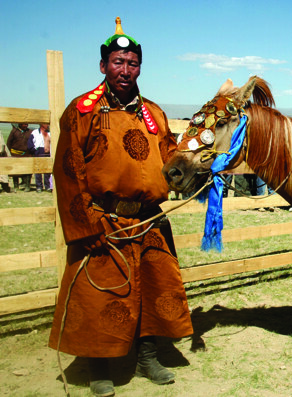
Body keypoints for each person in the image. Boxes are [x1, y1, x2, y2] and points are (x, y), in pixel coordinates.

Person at [48, 17, 193, 397]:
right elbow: (68, 171)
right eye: (118, 62)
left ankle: (147, 358)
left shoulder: (155, 114)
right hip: (104, 219)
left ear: (139, 67)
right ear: (103, 66)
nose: (125, 70)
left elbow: (169, 158)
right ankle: (100, 367)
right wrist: (86, 224)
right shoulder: (82, 111)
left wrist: (196, 166)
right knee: (102, 295)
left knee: (151, 288)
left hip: (148, 220)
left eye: (132, 63)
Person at [6, 123, 33, 191]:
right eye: (24, 124)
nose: (26, 125)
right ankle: (16, 186)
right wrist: (8, 154)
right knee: (15, 170)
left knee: (28, 170)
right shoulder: (14, 131)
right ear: (20, 124)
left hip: (27, 154)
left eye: (27, 124)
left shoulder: (30, 132)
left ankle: (27, 186)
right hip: (15, 154)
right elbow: (9, 142)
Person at [27, 123, 52, 192]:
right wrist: (35, 150)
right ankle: (39, 187)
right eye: (46, 124)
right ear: (42, 124)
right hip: (39, 152)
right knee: (38, 171)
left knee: (48, 171)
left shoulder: (50, 132)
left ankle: (48, 186)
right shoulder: (35, 132)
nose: (48, 125)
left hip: (48, 153)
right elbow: (30, 143)